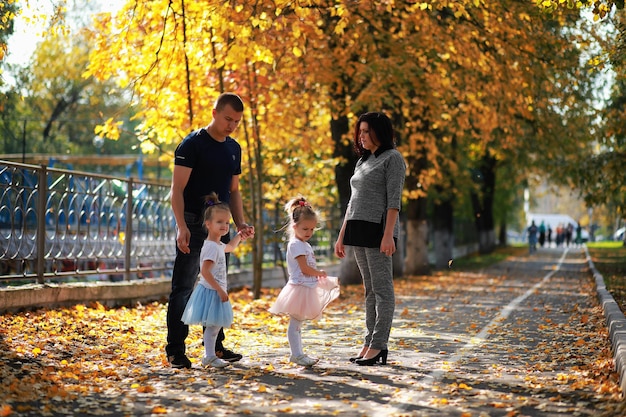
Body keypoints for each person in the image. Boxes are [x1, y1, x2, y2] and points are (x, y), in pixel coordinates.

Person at [166, 92, 255, 369]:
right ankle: (176, 350)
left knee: (218, 286)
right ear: (214, 112)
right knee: (183, 288)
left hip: (222, 227)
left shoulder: (234, 148)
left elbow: (234, 191)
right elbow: (176, 190)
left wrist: (240, 223)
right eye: (228, 118)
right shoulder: (192, 145)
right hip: (194, 224)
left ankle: (214, 348)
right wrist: (182, 226)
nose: (231, 125)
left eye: (237, 122)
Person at [334, 111, 406, 366]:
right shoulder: (363, 161)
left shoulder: (392, 159)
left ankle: (379, 345)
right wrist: (341, 236)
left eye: (366, 131)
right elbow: (352, 202)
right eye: (360, 132)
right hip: (358, 230)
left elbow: (393, 202)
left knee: (383, 290)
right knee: (369, 291)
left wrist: (388, 235)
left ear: (379, 132)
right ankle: (369, 342)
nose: (361, 136)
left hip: (378, 232)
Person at [269, 197, 340, 367]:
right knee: (295, 323)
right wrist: (319, 273)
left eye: (312, 229)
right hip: (299, 288)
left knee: (298, 323)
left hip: (305, 287)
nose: (309, 232)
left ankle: (298, 353)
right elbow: (304, 269)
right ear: (294, 227)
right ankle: (296, 354)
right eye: (305, 228)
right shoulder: (296, 245)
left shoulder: (303, 244)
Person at [181, 193, 247, 368]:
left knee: (215, 326)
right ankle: (208, 356)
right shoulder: (210, 247)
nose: (225, 226)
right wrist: (219, 289)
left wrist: (240, 234)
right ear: (208, 224)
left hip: (216, 289)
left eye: (227, 222)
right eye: (220, 222)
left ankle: (209, 355)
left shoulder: (217, 245)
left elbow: (231, 247)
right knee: (212, 327)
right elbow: (205, 272)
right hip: (211, 290)